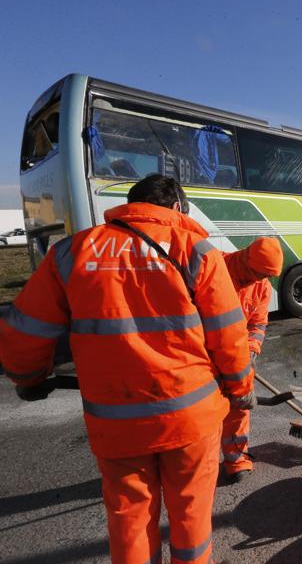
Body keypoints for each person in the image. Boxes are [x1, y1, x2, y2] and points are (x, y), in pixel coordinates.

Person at [0, 174, 255, 564]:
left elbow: (23, 332)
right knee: (190, 515)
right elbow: (229, 333)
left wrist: (28, 378)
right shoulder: (195, 249)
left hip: (117, 425)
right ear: (175, 208)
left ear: (130, 205)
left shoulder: (72, 252)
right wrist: (240, 386)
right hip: (191, 419)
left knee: (130, 520)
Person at [222, 237, 284, 483]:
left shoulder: (262, 286)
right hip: (204, 355)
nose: (258, 280)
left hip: (238, 357)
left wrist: (250, 352)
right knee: (205, 413)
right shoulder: (215, 267)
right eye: (256, 274)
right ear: (245, 257)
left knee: (240, 407)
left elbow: (257, 323)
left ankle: (236, 460)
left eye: (265, 276)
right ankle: (193, 468)